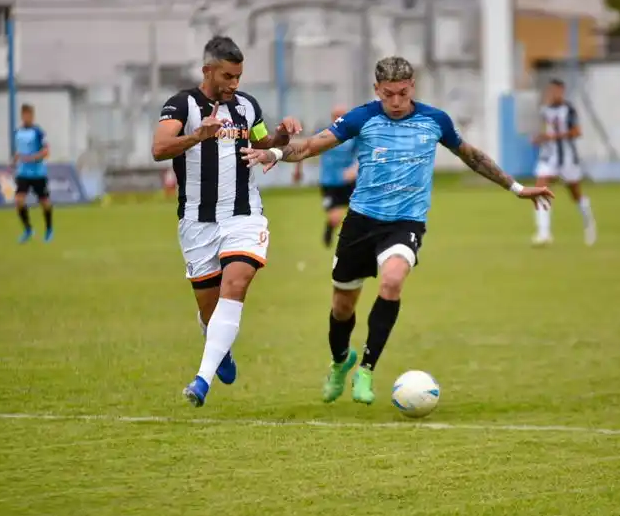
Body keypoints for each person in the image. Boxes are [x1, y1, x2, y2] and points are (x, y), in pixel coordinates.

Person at [242, 56, 554, 404]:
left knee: (392, 281)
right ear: (377, 90)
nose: (395, 101)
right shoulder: (362, 117)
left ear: (412, 88)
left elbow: (472, 156)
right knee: (342, 307)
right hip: (361, 221)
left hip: (406, 222)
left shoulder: (435, 120)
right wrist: (275, 154)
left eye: (402, 93)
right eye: (388, 94)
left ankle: (366, 370)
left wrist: (516, 187)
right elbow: (312, 145)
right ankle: (341, 361)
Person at [151, 36, 302, 407]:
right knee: (209, 309)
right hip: (197, 222)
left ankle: (201, 381)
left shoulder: (247, 106)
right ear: (208, 71)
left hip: (243, 215)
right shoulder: (181, 104)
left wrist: (282, 135)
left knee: (237, 281)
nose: (234, 84)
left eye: (238, 76)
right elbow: (159, 149)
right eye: (228, 76)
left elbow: (263, 142)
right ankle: (220, 347)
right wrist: (196, 136)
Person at [531, 78, 597, 247]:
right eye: (550, 91)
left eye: (556, 91)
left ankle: (589, 223)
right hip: (548, 158)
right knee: (539, 190)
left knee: (576, 195)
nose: (552, 94)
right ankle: (543, 233)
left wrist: (555, 136)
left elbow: (577, 132)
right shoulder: (544, 111)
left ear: (562, 91)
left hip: (567, 159)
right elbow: (543, 132)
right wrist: (538, 138)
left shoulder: (569, 110)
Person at [292, 106, 360, 247]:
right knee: (335, 217)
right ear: (332, 118)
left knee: (359, 214)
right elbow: (304, 149)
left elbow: (364, 154)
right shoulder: (323, 134)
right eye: (336, 116)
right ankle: (330, 228)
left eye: (342, 116)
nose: (339, 119)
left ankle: (354, 242)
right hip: (329, 182)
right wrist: (298, 170)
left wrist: (355, 169)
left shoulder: (354, 136)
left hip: (348, 181)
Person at [12, 103, 54, 243]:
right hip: (23, 173)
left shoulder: (38, 132)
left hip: (38, 173)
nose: (26, 117)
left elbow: (46, 150)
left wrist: (34, 157)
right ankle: (28, 229)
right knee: (19, 200)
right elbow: (19, 151)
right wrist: (15, 159)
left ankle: (49, 229)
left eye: (28, 115)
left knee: (44, 202)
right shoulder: (18, 132)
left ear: (32, 116)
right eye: (24, 115)